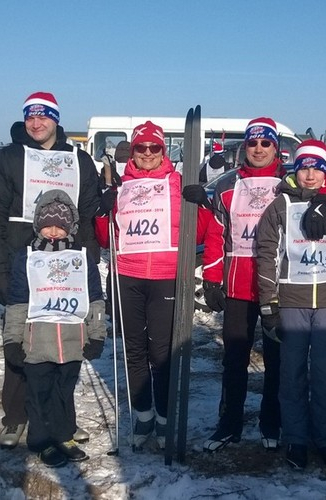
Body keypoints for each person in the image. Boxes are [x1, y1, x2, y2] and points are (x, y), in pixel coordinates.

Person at [195, 118, 326, 453]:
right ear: (245, 147)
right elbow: (216, 235)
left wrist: (325, 197)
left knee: (277, 361)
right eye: (252, 143)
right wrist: (211, 278)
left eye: (265, 143)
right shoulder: (229, 185)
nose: (258, 149)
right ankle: (229, 423)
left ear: (275, 147)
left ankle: (272, 421)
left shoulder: (290, 180)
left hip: (279, 285)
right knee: (234, 359)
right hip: (239, 285)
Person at [0, 92, 101, 449]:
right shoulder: (10, 156)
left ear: (55, 119)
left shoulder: (78, 159)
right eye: (30, 117)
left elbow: (88, 211)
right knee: (20, 340)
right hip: (20, 261)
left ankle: (61, 419)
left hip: (64, 262)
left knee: (62, 342)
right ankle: (16, 417)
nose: (36, 123)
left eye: (43, 116)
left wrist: (89, 260)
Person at [94, 120, 211, 450]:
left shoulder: (177, 183)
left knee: (161, 352)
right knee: (134, 350)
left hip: (164, 277)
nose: (147, 153)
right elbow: (105, 238)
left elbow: (199, 233)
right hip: (128, 276)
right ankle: (143, 414)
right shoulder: (121, 187)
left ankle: (163, 416)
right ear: (132, 152)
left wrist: (200, 203)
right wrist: (102, 212)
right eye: (141, 148)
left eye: (154, 147)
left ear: (163, 150)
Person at [257, 139, 326, 469]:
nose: (311, 175)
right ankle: (297, 440)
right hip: (292, 302)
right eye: (304, 167)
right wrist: (268, 305)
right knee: (291, 376)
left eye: (317, 169)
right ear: (296, 170)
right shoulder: (280, 205)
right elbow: (267, 255)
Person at [2, 189, 106, 467]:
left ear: (70, 227)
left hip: (72, 342)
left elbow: (95, 299)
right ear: (38, 225)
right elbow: (17, 302)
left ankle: (63, 435)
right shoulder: (27, 258)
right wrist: (12, 340)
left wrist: (97, 335)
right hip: (37, 342)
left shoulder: (81, 259)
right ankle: (41, 441)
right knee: (39, 393)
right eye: (47, 225)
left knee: (64, 390)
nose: (53, 231)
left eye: (60, 226)